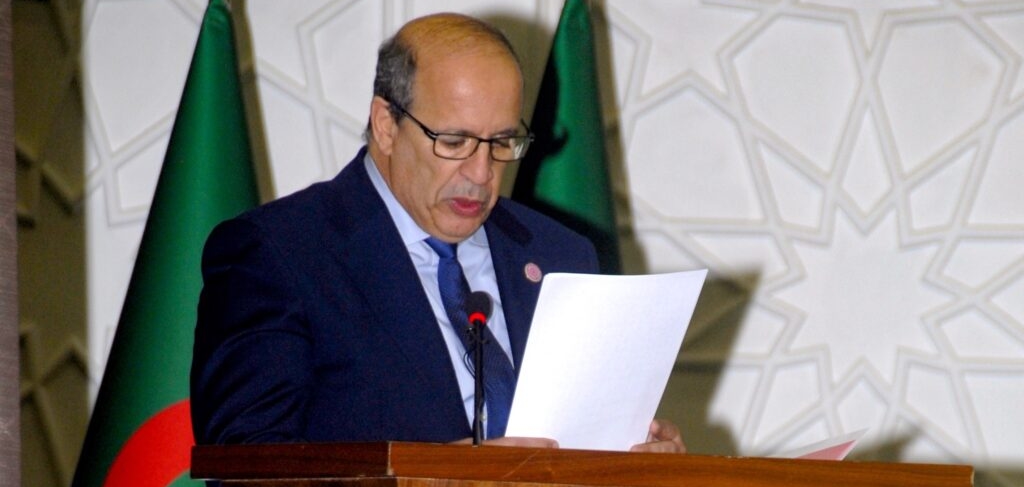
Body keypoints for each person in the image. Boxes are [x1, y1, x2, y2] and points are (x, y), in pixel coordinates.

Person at [191, 12, 683, 460]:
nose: (481, 173)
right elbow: (246, 473)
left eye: (502, 142)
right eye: (454, 141)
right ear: (386, 125)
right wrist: (434, 475)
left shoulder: (560, 254)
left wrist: (642, 465)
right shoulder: (279, 254)